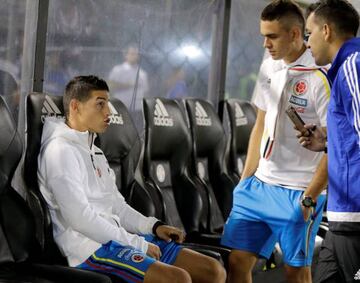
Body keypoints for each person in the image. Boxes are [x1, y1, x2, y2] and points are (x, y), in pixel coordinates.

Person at [37, 75, 226, 283]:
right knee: (177, 279)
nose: (108, 112)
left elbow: (117, 206)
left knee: (213, 271)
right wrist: (138, 244)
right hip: (88, 250)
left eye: (107, 104)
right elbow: (80, 218)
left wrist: (152, 226)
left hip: (116, 239)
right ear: (75, 106)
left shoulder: (96, 153)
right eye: (100, 105)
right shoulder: (60, 151)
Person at [220, 1, 331, 282]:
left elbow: (338, 147)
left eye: (272, 37)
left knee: (296, 271)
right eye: (263, 36)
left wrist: (310, 196)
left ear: (295, 34)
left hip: (298, 190)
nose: (265, 44)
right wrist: (245, 180)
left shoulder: (323, 74)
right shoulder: (269, 65)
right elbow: (261, 124)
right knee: (236, 262)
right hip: (258, 186)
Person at [297, 1, 360, 282]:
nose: (307, 43)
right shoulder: (345, 70)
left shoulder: (353, 66)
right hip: (341, 221)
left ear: (326, 30)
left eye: (309, 34)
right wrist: (327, 142)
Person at [108, 46, 149, 111]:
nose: (134, 56)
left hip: (136, 109)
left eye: (136, 54)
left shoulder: (142, 74)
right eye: (132, 54)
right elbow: (110, 86)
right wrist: (128, 85)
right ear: (126, 55)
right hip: (120, 107)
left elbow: (145, 92)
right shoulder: (117, 70)